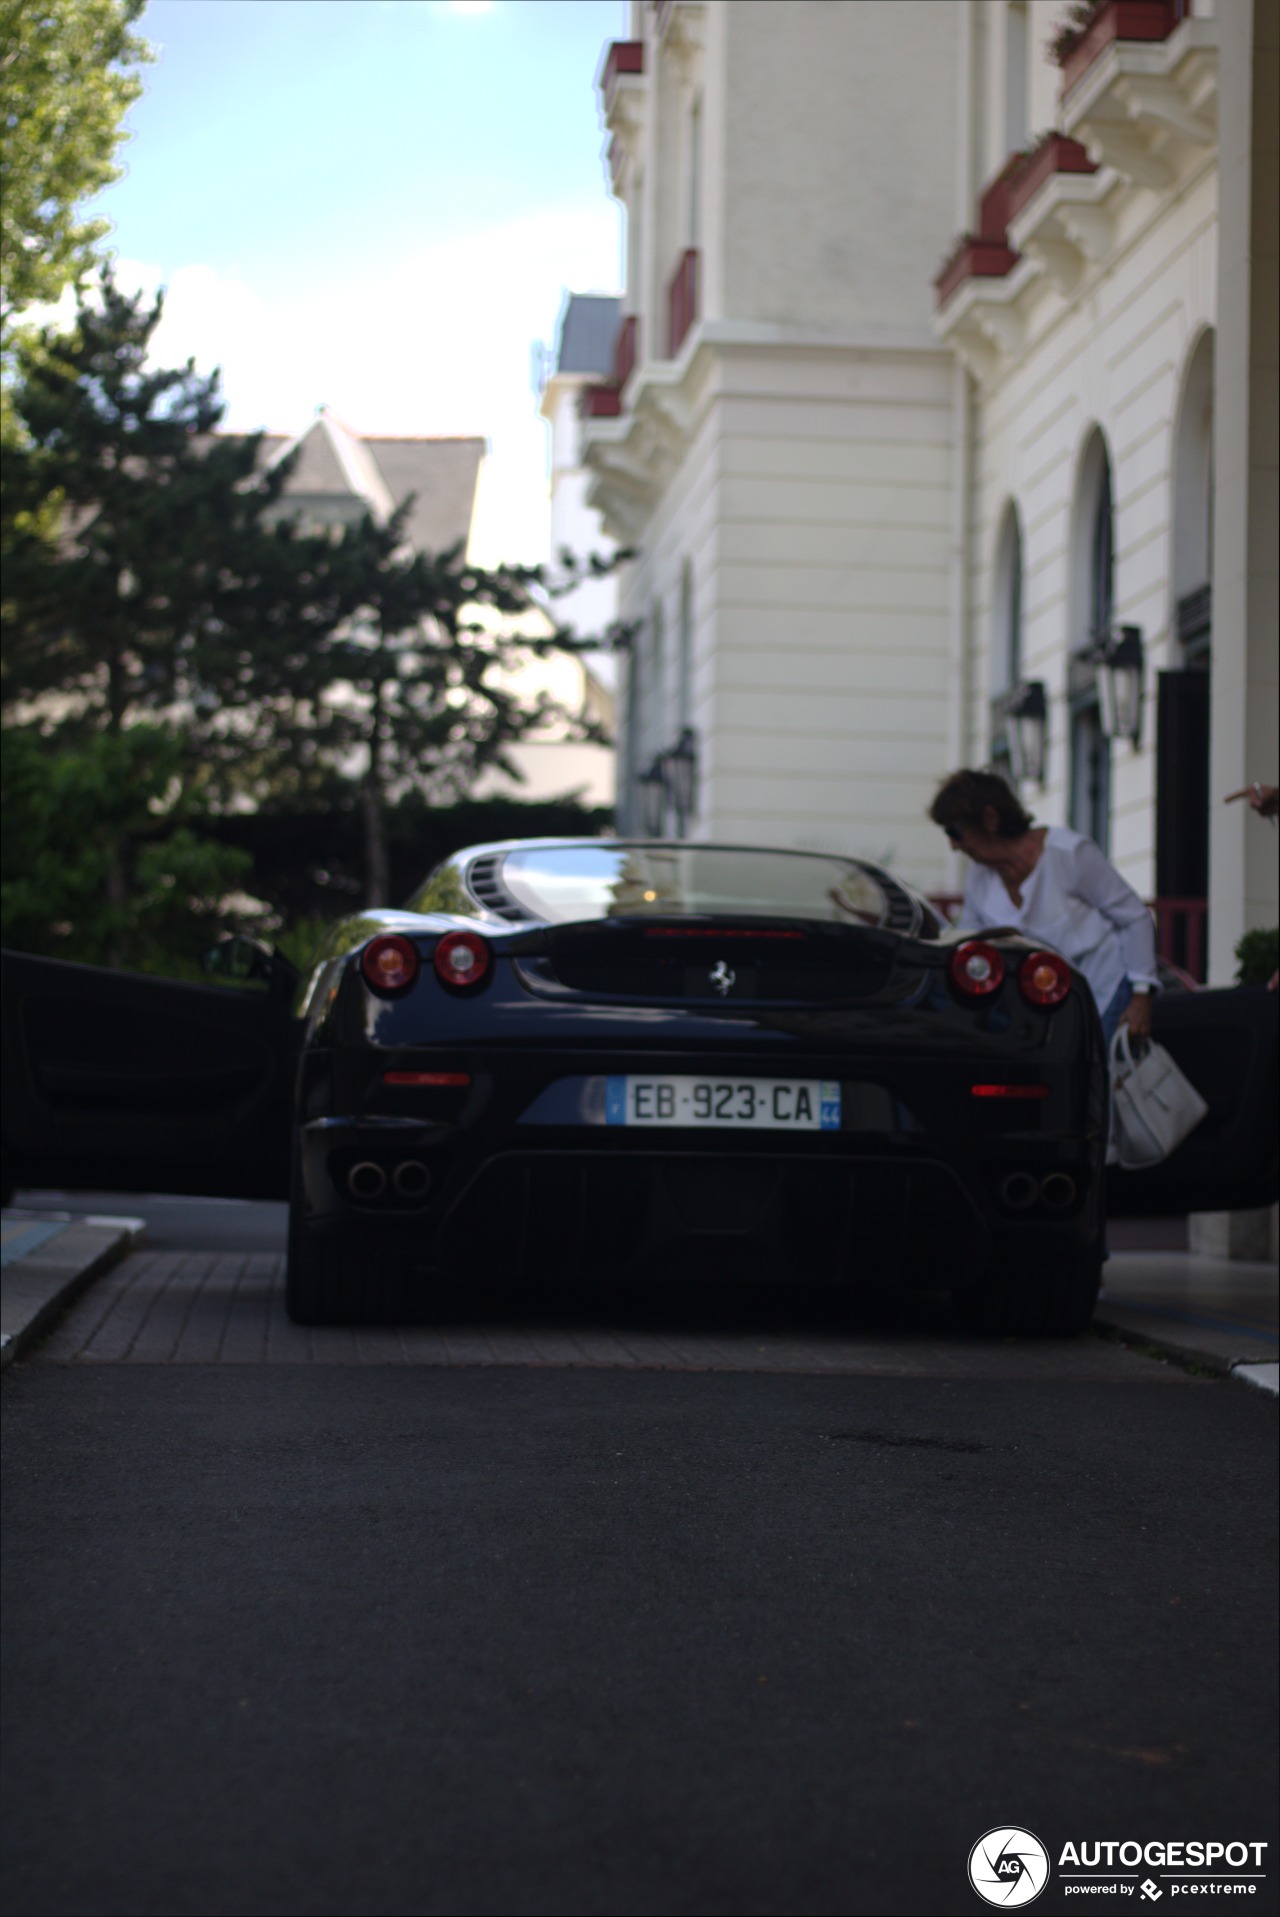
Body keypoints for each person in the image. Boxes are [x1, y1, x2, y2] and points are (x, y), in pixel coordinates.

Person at [928, 769, 1158, 1047]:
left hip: (1106, 992)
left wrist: (1141, 996)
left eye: (956, 831)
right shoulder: (979, 877)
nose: (954, 846)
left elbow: (1134, 917)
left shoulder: (1069, 853)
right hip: (1042, 1009)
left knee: (1097, 1083)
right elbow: (968, 941)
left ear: (989, 818)